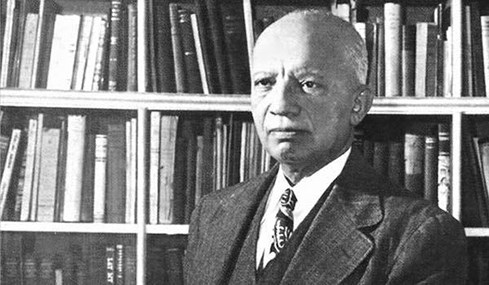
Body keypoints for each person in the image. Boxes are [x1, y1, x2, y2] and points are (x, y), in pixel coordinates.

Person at [184, 9, 467, 284]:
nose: (281, 105)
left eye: (308, 84)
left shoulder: (418, 236)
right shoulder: (211, 215)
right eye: (265, 82)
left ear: (358, 105)